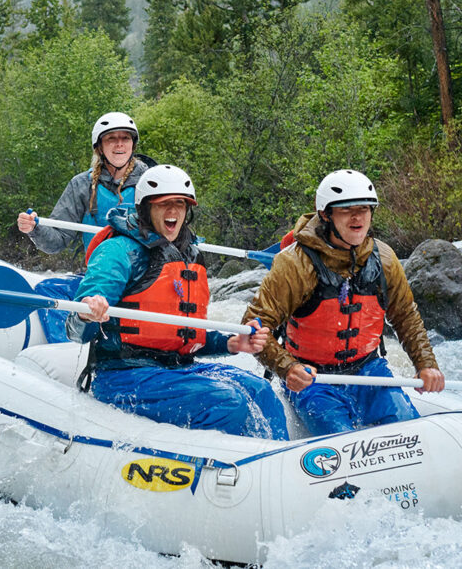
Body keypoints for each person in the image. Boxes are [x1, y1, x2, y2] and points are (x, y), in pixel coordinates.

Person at [70, 164, 288, 439]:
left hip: (177, 370)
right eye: (164, 205)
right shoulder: (119, 250)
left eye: (180, 204)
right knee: (229, 402)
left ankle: (278, 464)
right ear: (146, 208)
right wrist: (87, 313)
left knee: (261, 391)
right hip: (123, 376)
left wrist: (230, 343)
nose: (173, 212)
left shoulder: (189, 255)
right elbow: (75, 328)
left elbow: (184, 335)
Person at [242, 169, 444, 436]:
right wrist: (287, 367)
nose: (358, 217)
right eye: (347, 210)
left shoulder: (384, 259)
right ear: (326, 215)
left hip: (369, 371)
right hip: (313, 379)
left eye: (364, 209)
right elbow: (253, 325)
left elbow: (405, 316)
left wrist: (426, 364)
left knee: (410, 433)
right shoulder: (294, 264)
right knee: (341, 439)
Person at [15, 111, 153, 253]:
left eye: (125, 138)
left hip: (147, 272)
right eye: (111, 138)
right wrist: (34, 228)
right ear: (99, 147)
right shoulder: (81, 185)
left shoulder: (152, 182)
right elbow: (57, 241)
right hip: (100, 270)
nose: (119, 144)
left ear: (133, 144)